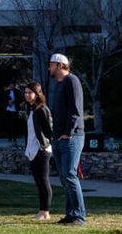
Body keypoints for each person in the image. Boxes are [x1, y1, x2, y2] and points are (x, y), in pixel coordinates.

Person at [48, 53, 86, 225]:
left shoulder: (72, 81)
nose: (49, 68)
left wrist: (68, 132)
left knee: (70, 175)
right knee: (64, 178)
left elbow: (76, 110)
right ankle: (70, 214)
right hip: (58, 137)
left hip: (71, 137)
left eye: (51, 65)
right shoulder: (59, 84)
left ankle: (79, 216)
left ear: (60, 65)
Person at [23, 82, 54, 222]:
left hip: (42, 150)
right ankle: (41, 211)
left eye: (30, 92)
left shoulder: (42, 110)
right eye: (25, 92)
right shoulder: (31, 110)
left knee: (43, 180)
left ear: (37, 94)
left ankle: (45, 212)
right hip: (32, 150)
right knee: (38, 181)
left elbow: (49, 131)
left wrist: (46, 144)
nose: (27, 95)